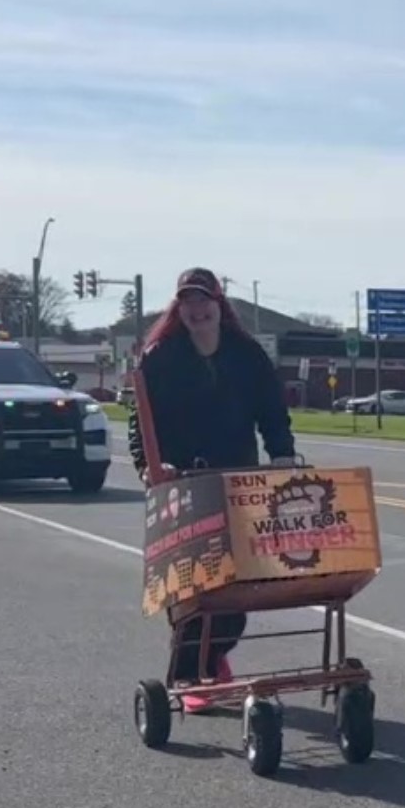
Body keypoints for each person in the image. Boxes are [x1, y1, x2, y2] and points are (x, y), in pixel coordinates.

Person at [128, 267, 299, 712]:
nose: (196, 310)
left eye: (203, 301)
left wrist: (282, 453)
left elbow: (272, 412)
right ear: (178, 308)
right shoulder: (160, 356)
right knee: (193, 590)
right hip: (182, 484)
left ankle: (213, 656)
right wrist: (150, 465)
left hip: (238, 481)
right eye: (187, 302)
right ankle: (191, 676)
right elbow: (141, 420)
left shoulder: (247, 355)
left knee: (237, 588)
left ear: (219, 304)